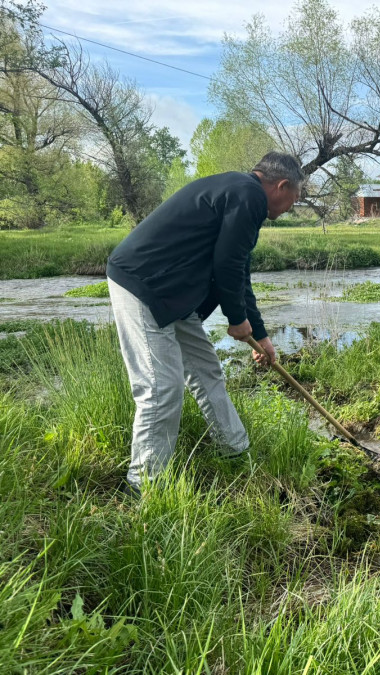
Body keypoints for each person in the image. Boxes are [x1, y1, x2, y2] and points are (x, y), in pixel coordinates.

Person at [106, 151, 302, 493]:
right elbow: (227, 263)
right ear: (281, 185)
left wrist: (260, 333)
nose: (289, 209)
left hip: (175, 293)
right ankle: (143, 489)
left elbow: (239, 270)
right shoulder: (248, 195)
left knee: (207, 371)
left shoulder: (240, 193)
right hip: (146, 284)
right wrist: (237, 320)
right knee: (160, 389)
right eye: (293, 200)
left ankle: (236, 452)